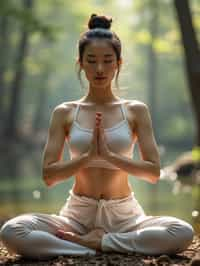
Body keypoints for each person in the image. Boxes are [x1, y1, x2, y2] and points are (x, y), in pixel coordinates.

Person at [0, 14, 194, 259]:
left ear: (118, 63)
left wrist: (111, 156)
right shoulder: (65, 112)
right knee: (12, 231)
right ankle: (90, 246)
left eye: (107, 60)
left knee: (181, 231)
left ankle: (102, 242)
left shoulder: (135, 110)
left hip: (126, 216)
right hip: (76, 216)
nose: (100, 68)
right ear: (80, 63)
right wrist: (88, 157)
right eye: (91, 60)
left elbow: (153, 172)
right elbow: (49, 176)